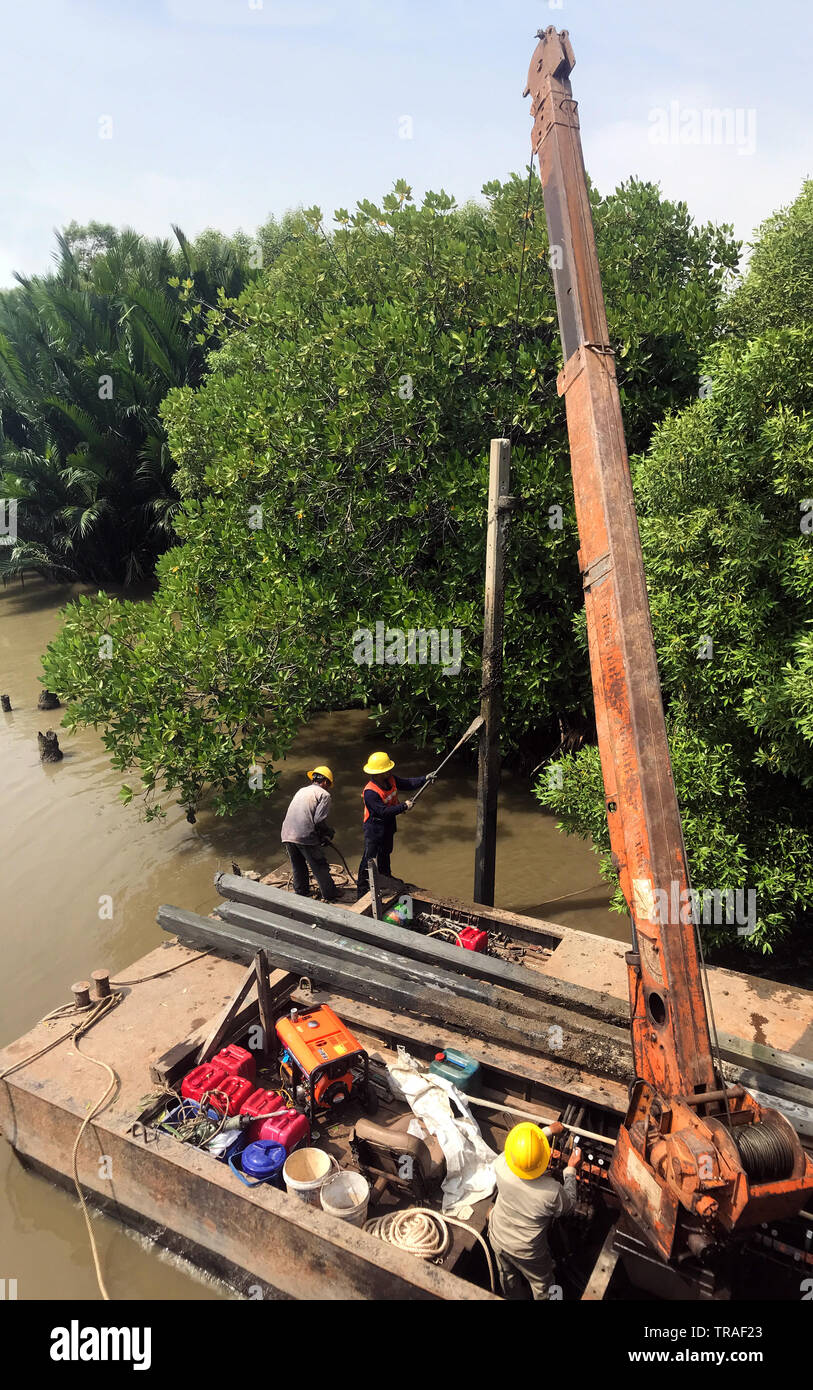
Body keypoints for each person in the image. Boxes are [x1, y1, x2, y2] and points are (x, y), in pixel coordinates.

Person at [488, 1121, 581, 1300]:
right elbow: (569, 1205)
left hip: (497, 1236)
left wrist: (547, 1131)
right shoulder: (551, 1193)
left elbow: (521, 1151)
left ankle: (511, 1297)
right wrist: (570, 1170)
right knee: (544, 1284)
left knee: (507, 1275)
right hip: (528, 1252)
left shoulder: (502, 1163)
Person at [356, 751, 436, 898]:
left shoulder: (390, 779)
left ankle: (386, 876)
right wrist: (404, 806)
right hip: (374, 828)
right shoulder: (370, 792)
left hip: (388, 825)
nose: (390, 771)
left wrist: (424, 779)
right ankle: (362, 889)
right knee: (368, 858)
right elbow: (382, 812)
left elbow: (407, 783)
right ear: (380, 773)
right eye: (387, 769)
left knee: (386, 852)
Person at [280, 765, 338, 902]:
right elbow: (318, 821)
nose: (329, 788)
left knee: (298, 864)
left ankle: (301, 891)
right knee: (319, 865)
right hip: (304, 834)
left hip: (287, 833)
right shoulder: (324, 795)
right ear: (325, 782)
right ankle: (330, 894)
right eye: (329, 785)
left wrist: (320, 835)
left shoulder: (302, 790)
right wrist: (328, 832)